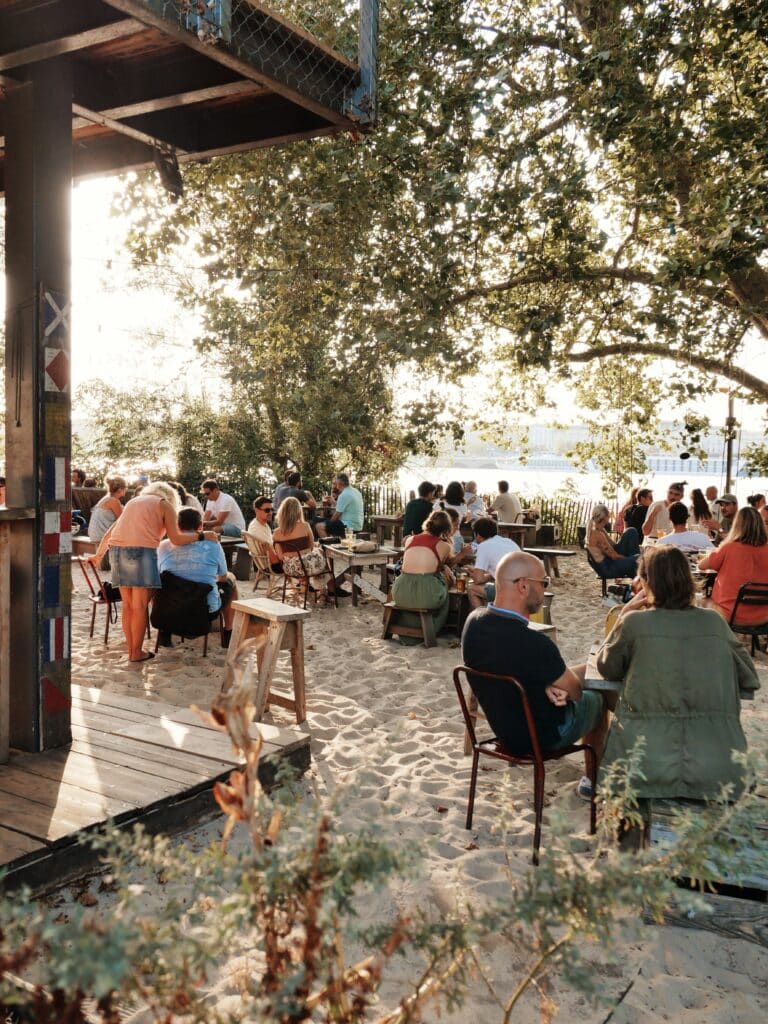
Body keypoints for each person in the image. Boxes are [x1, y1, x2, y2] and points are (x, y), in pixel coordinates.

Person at [597, 545, 759, 799]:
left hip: (645, 766)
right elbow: (749, 676)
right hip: (718, 768)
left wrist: (623, 615)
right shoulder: (714, 622)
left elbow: (606, 668)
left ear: (648, 583)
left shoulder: (634, 623)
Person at [462, 551, 609, 799]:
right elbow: (574, 691)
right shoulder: (535, 644)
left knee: (571, 677)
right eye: (544, 583)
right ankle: (591, 781)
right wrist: (569, 679)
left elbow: (523, 670)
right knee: (597, 698)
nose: (545, 590)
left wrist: (550, 683)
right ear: (523, 586)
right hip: (541, 737)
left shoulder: (473, 623)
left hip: (504, 730)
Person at [91, 482, 207, 662]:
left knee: (128, 606)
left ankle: (132, 650)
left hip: (118, 551)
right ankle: (136, 653)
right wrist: (202, 535)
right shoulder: (164, 504)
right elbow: (176, 539)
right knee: (140, 607)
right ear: (170, 496)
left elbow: (110, 532)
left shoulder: (133, 502)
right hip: (142, 551)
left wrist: (98, 556)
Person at [157, 507, 238, 648]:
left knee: (158, 583)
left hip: (169, 609)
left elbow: (158, 574)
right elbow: (223, 577)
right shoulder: (213, 544)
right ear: (201, 526)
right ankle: (228, 631)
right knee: (231, 579)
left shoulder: (163, 546)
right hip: (205, 610)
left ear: (177, 526)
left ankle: (164, 633)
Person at [391, 509, 455, 641]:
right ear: (446, 529)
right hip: (426, 595)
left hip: (400, 592)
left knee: (417, 596)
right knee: (445, 584)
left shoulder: (410, 540)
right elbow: (443, 564)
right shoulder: (444, 546)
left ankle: (408, 630)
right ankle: (432, 629)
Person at [699, 506, 768, 625]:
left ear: (737, 525)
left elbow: (701, 565)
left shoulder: (729, 547)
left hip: (731, 615)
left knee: (701, 600)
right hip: (763, 617)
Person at [273, 496, 333, 601]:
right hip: (307, 567)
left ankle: (307, 586)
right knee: (319, 552)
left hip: (290, 569)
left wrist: (292, 554)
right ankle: (324, 591)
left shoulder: (277, 532)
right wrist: (301, 553)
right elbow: (310, 548)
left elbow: (280, 556)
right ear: (298, 511)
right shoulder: (305, 526)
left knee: (310, 558)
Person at [467, 517, 521, 608]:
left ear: (478, 535)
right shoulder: (509, 542)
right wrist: (487, 576)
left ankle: (481, 620)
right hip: (524, 587)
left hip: (510, 591)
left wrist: (474, 574)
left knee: (472, 588)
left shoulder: (483, 546)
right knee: (490, 586)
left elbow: (478, 579)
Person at [586, 504, 640, 578]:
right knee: (639, 558)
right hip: (608, 568)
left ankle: (635, 570)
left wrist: (630, 558)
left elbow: (613, 545)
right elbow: (614, 556)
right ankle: (635, 571)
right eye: (608, 516)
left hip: (608, 560)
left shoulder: (596, 527)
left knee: (631, 531)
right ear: (604, 518)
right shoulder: (597, 534)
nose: (608, 519)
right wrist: (631, 559)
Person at [316, 472, 364, 539]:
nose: (335, 485)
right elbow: (346, 507)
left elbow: (336, 516)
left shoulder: (344, 494)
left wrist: (328, 524)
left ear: (339, 484)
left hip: (348, 526)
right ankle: (334, 543)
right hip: (358, 526)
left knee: (319, 526)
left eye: (335, 483)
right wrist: (334, 502)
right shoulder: (356, 492)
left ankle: (328, 547)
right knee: (326, 523)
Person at [247, 495, 282, 574]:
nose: (270, 513)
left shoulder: (261, 524)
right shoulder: (257, 529)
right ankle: (304, 584)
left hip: (264, 564)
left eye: (271, 510)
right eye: (267, 510)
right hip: (271, 565)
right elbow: (271, 556)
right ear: (257, 510)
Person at [87, 475, 127, 544]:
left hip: (94, 535)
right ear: (120, 489)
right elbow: (123, 520)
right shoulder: (114, 501)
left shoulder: (106, 498)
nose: (126, 489)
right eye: (125, 488)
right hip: (101, 537)